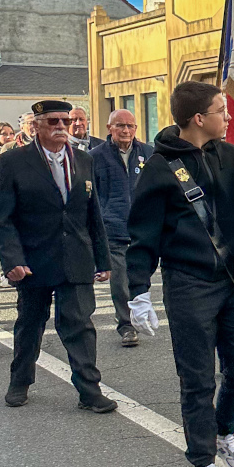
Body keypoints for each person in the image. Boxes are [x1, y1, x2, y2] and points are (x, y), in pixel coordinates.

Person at [125, 82, 234, 467]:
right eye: (221, 110)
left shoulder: (232, 156)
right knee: (196, 378)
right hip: (189, 283)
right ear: (199, 118)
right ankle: (204, 465)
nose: (228, 116)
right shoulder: (160, 167)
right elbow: (142, 235)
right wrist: (137, 291)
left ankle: (224, 429)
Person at [0, 98, 116, 412]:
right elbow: (2, 218)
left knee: (79, 325)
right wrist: (12, 260)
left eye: (66, 121)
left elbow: (93, 213)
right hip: (33, 261)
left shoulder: (83, 160)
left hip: (76, 257)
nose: (62, 127)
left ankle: (90, 391)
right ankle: (20, 381)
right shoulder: (13, 162)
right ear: (37, 126)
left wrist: (103, 260)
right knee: (30, 324)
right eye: (53, 122)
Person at [91, 108, 153, 346]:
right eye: (120, 126)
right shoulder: (95, 156)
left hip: (142, 229)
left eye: (130, 126)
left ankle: (140, 315)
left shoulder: (148, 153)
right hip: (113, 229)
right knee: (120, 282)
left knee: (139, 278)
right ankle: (126, 325)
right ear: (110, 129)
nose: (126, 130)